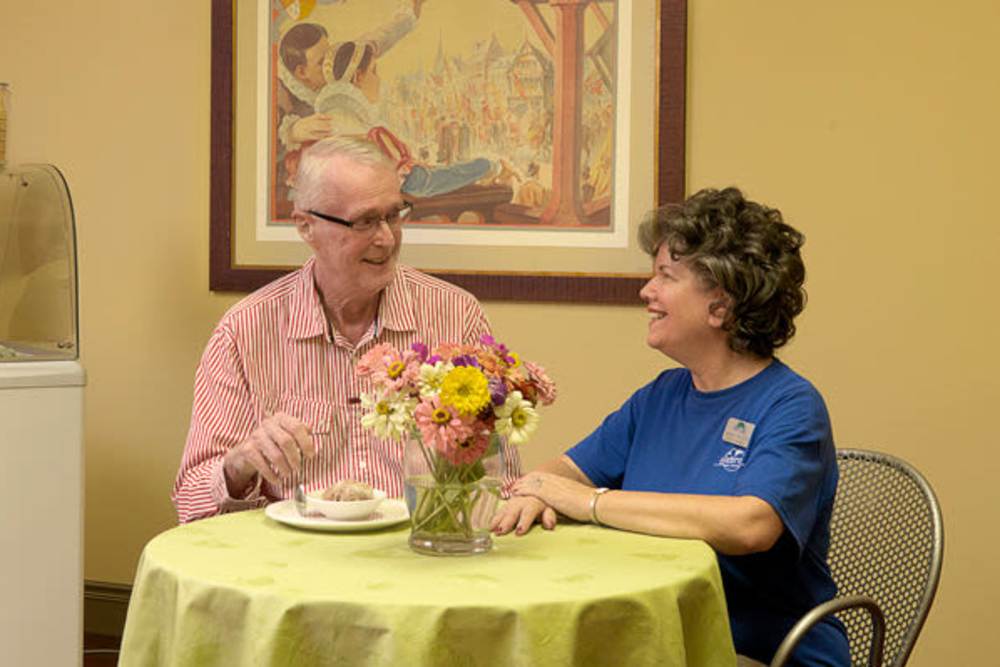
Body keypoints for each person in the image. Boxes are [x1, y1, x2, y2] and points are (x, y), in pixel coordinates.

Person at [492, 187, 850, 667]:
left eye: (666, 276)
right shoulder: (661, 396)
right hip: (661, 640)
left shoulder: (790, 405)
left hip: (759, 653)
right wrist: (538, 490)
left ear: (720, 306)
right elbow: (568, 471)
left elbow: (751, 525)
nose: (646, 291)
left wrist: (593, 503)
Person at [173, 136, 521, 523]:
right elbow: (191, 501)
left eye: (394, 215)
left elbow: (502, 482)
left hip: (420, 563)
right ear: (306, 227)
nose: (387, 238)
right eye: (365, 221)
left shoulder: (455, 316)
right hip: (293, 570)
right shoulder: (244, 331)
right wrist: (239, 465)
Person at [275, 0, 425, 217]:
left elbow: (380, 38)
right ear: (301, 72)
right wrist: (292, 131)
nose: (330, 62)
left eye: (329, 52)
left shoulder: (338, 60)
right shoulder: (280, 93)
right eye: (321, 62)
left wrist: (413, 10)